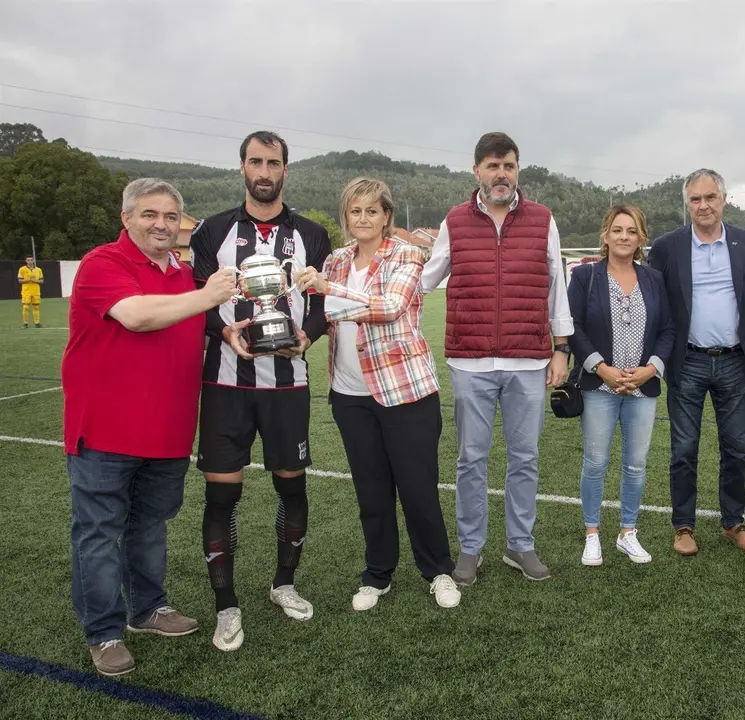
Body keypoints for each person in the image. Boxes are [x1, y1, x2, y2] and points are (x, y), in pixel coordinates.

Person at [63, 178, 237, 676]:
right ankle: (104, 631)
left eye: (169, 216)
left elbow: (195, 322)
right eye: (149, 215)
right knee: (98, 533)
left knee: (149, 526)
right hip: (105, 431)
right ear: (127, 219)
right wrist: (208, 296)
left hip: (167, 430)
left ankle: (147, 609)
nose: (161, 224)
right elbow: (136, 316)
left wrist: (226, 328)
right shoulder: (103, 264)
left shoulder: (181, 271)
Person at [189, 131, 331, 651]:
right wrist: (223, 330)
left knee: (291, 486)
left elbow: (319, 305)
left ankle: (284, 584)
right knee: (221, 493)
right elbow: (199, 299)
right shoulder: (212, 231)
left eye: (273, 162)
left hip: (287, 384)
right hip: (225, 381)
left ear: (286, 170)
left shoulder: (313, 235)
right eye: (256, 161)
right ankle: (226, 607)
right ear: (242, 167)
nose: (264, 171)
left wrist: (306, 338)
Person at [294, 178, 460, 610]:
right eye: (354, 211)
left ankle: (438, 570)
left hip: (406, 392)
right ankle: (377, 574)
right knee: (371, 490)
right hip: (350, 396)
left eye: (372, 210)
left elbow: (388, 307)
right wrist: (295, 331)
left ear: (387, 215)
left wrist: (329, 291)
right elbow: (321, 317)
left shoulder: (407, 253)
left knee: (418, 489)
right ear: (345, 216)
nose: (362, 218)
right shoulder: (335, 260)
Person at [421, 132, 572, 584]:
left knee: (524, 457)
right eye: (492, 166)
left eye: (507, 165)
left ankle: (520, 545)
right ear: (476, 171)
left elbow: (557, 288)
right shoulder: (454, 220)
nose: (500, 174)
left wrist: (561, 349)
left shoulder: (544, 220)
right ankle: (471, 548)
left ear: (517, 169)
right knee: (471, 458)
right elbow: (425, 279)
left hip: (528, 359)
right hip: (470, 362)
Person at [648, 168, 745, 557]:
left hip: (733, 361)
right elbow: (653, 303)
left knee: (737, 448)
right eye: (695, 199)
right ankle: (683, 526)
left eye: (710, 197)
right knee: (684, 449)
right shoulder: (667, 247)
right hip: (688, 362)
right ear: (687, 203)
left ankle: (733, 523)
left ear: (724, 199)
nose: (703, 206)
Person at [567, 205, 674, 565]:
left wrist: (651, 369)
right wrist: (601, 368)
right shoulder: (586, 277)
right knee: (595, 462)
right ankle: (592, 533)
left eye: (631, 231)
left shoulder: (654, 279)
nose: (624, 236)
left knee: (636, 464)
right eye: (617, 230)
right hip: (599, 387)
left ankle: (628, 532)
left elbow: (668, 330)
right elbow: (574, 327)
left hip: (643, 387)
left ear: (642, 238)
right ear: (606, 235)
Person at [18, 255, 44, 327]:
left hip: (36, 291)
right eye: (28, 260)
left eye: (31, 260)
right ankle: (25, 323)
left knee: (36, 307)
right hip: (26, 291)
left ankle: (37, 323)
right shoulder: (22, 269)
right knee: (26, 307)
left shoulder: (38, 270)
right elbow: (20, 280)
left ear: (33, 261)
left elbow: (42, 281)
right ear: (26, 261)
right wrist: (29, 280)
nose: (30, 261)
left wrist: (34, 280)